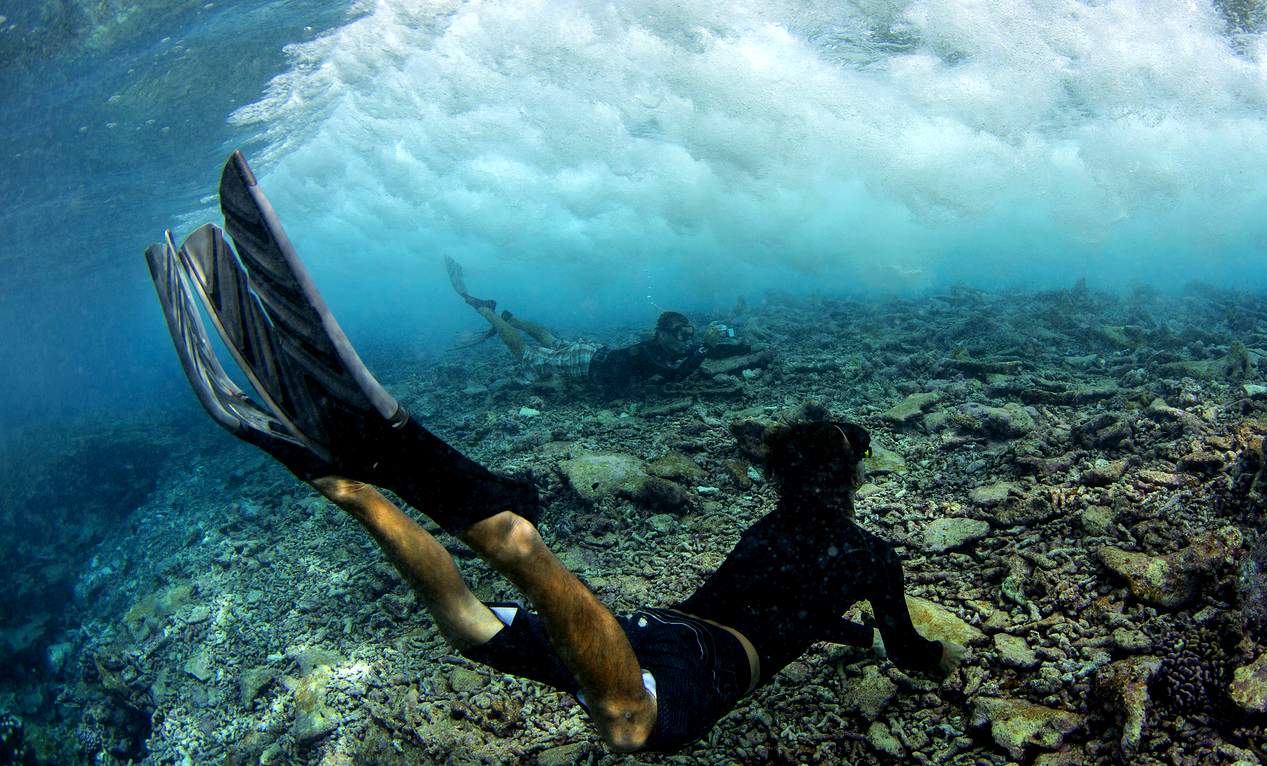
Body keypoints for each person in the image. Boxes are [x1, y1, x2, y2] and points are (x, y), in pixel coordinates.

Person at [144, 151, 961, 753]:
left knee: (471, 629)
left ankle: (354, 490)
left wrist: (831, 630)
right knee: (625, 722)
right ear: (849, 481)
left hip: (651, 628)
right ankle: (497, 532)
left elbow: (788, 595)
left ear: (781, 476)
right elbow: (906, 646)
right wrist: (930, 657)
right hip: (691, 658)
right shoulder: (868, 555)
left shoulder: (772, 532)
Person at [445, 257, 732, 394]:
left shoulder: (664, 347)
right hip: (586, 363)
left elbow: (687, 358)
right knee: (528, 355)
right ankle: (485, 309)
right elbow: (676, 375)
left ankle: (512, 320)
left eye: (689, 334)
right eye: (680, 334)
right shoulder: (652, 352)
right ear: (662, 335)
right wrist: (705, 345)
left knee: (553, 341)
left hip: (595, 352)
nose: (686, 339)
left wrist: (712, 343)